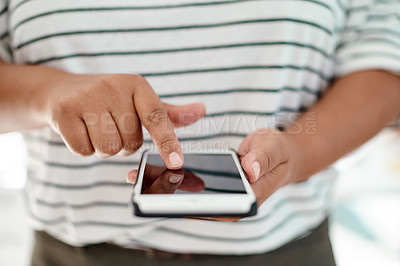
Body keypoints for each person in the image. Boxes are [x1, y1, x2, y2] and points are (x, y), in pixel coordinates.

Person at [0, 0, 399, 265]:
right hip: (77, 255)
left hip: (284, 251)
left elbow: (384, 55)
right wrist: (49, 94)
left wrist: (298, 151)